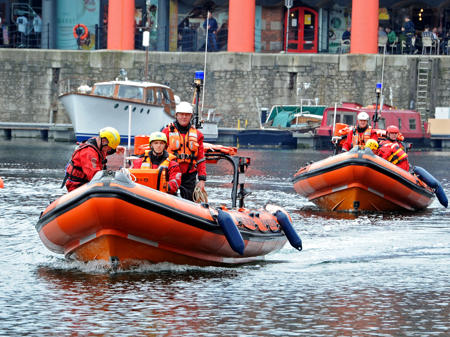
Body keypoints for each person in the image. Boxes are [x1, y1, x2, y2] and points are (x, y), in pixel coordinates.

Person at [162, 101, 206, 201]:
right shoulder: (167, 132)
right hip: (171, 173)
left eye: (187, 115)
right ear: (176, 115)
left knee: (190, 201)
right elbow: (160, 151)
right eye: (181, 114)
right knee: (168, 200)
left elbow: (200, 158)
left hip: (189, 175)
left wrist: (202, 179)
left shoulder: (198, 135)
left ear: (191, 116)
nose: (184, 117)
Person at [62, 127, 123, 192]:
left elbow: (101, 153)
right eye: (109, 147)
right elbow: (95, 176)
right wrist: (115, 175)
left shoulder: (97, 142)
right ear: (104, 141)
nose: (109, 150)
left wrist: (115, 150)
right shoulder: (89, 153)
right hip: (77, 187)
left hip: (86, 183)